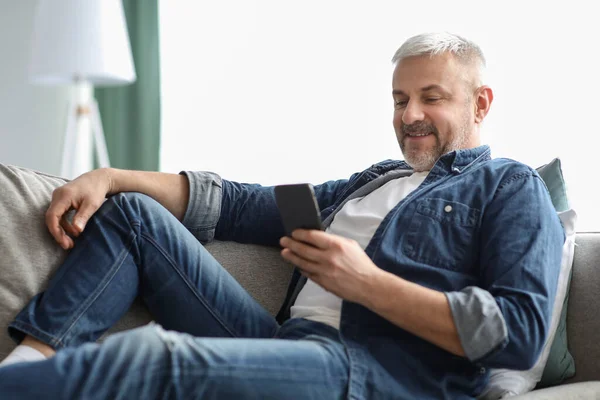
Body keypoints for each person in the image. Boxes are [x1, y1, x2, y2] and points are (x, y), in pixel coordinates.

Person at [0, 32, 564, 399]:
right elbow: (239, 204)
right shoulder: (371, 183)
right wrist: (110, 176)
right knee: (134, 215)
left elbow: (517, 331)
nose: (409, 114)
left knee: (149, 357)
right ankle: (26, 364)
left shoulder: (509, 186)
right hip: (287, 343)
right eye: (399, 99)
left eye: (431, 97)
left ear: (480, 103)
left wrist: (366, 284)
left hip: (382, 376)